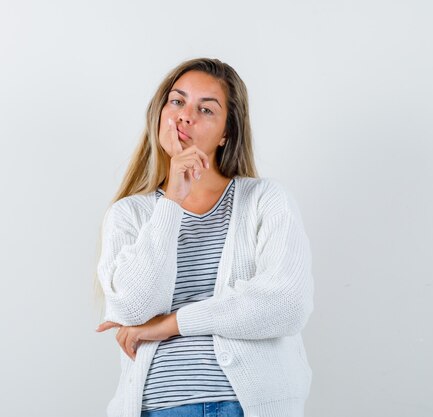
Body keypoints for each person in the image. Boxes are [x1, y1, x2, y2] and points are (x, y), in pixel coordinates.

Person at [95, 57, 314, 417]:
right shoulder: (128, 214)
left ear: (227, 132)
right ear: (161, 112)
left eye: (206, 110)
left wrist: (172, 324)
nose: (185, 116)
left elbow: (287, 305)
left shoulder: (266, 200)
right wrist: (173, 201)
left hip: (248, 405)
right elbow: (133, 309)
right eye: (177, 101)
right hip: (160, 406)